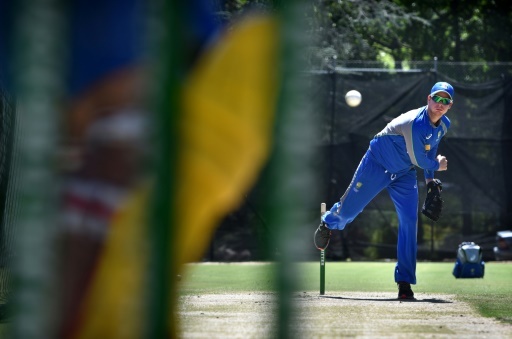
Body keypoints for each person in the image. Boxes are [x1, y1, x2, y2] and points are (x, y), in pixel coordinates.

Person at [314, 82, 454, 299]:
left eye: (446, 101)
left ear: (450, 105)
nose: (440, 104)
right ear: (429, 99)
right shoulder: (414, 123)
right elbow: (420, 158)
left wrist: (430, 181)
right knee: (349, 213)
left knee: (409, 221)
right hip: (377, 164)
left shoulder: (444, 125)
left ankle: (405, 282)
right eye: (437, 98)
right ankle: (328, 222)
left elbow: (431, 148)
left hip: (404, 173)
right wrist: (437, 166)